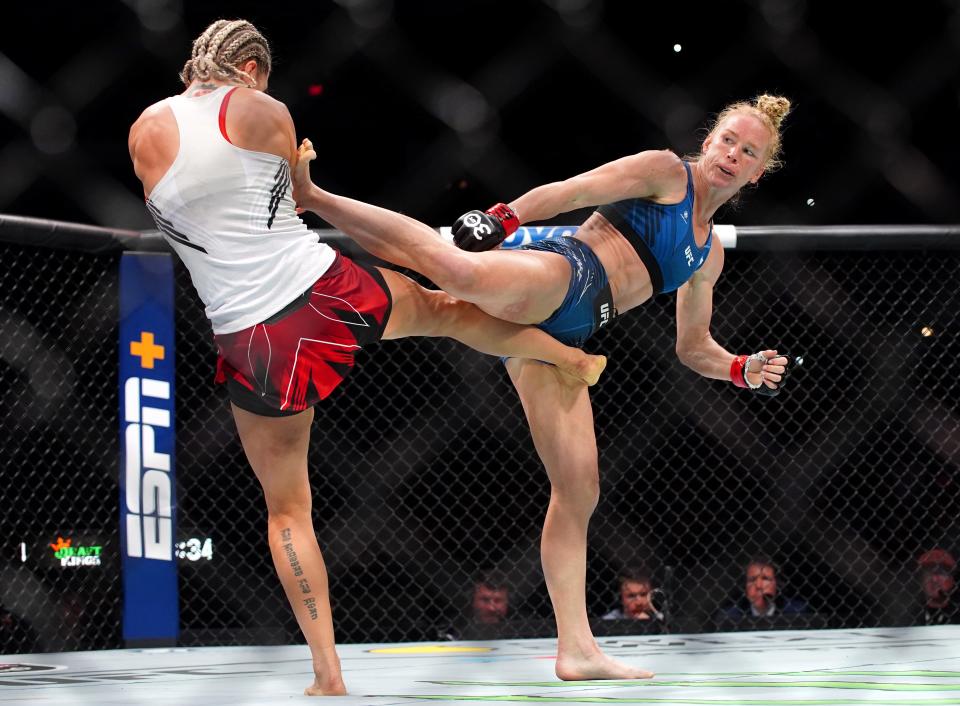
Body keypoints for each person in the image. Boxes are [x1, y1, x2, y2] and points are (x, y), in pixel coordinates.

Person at [127, 19, 606, 696]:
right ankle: (565, 355)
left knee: (287, 510)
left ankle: (327, 673)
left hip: (249, 337)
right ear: (254, 67)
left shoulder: (143, 130)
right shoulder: (263, 109)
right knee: (446, 311)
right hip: (318, 290)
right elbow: (294, 198)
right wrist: (297, 169)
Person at [293, 93, 799, 680]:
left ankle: (577, 648)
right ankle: (315, 199)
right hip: (566, 274)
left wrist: (740, 367)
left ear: (759, 170)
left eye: (749, 151)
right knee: (454, 271)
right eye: (728, 141)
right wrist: (504, 218)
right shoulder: (665, 172)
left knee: (579, 488)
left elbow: (692, 347)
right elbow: (574, 190)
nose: (733, 155)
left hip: (573, 336)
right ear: (708, 140)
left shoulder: (708, 254)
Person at [715, 557, 809, 627]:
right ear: (745, 586)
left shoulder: (796, 611)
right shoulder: (731, 616)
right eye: (752, 580)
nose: (758, 586)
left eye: (765, 579)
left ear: (777, 584)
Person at [916, 548, 958, 625]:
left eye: (941, 573)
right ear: (921, 579)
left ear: (952, 579)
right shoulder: (908, 615)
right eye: (928, 573)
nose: (934, 579)